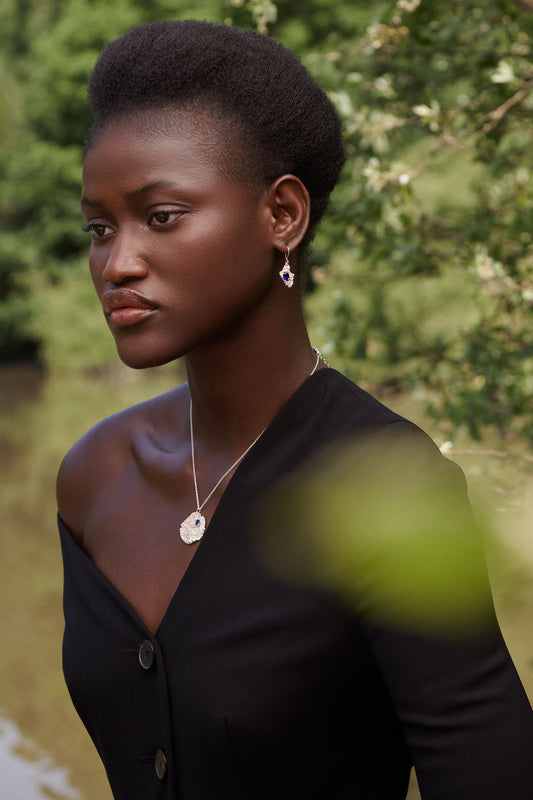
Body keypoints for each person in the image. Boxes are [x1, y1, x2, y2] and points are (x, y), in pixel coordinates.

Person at [56, 19, 533, 800]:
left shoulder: (384, 483)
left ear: (281, 215)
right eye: (99, 227)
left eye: (161, 216)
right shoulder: (96, 474)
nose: (118, 262)